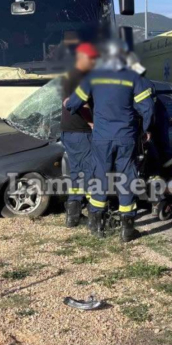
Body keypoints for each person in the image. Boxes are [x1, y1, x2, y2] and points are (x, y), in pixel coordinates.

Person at [65, 39, 155, 242]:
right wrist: (147, 129)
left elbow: (74, 102)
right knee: (126, 177)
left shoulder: (94, 77)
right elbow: (148, 108)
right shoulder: (133, 77)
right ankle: (127, 230)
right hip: (126, 136)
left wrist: (72, 105)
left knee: (100, 177)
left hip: (102, 137)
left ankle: (96, 226)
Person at [61, 42, 99, 228]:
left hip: (69, 130)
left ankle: (73, 216)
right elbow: (81, 104)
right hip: (80, 130)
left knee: (76, 173)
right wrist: (91, 123)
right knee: (90, 172)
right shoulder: (79, 77)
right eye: (92, 59)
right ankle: (95, 216)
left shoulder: (69, 75)